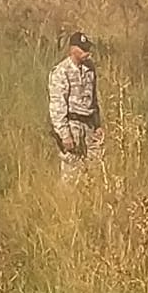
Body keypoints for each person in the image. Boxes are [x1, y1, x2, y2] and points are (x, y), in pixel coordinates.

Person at [48, 32, 104, 184]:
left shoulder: (89, 68)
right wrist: (64, 134)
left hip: (89, 125)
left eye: (88, 49)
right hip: (72, 124)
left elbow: (93, 98)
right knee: (72, 174)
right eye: (83, 49)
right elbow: (57, 105)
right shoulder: (61, 71)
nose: (87, 53)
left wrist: (97, 124)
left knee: (95, 171)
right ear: (73, 49)